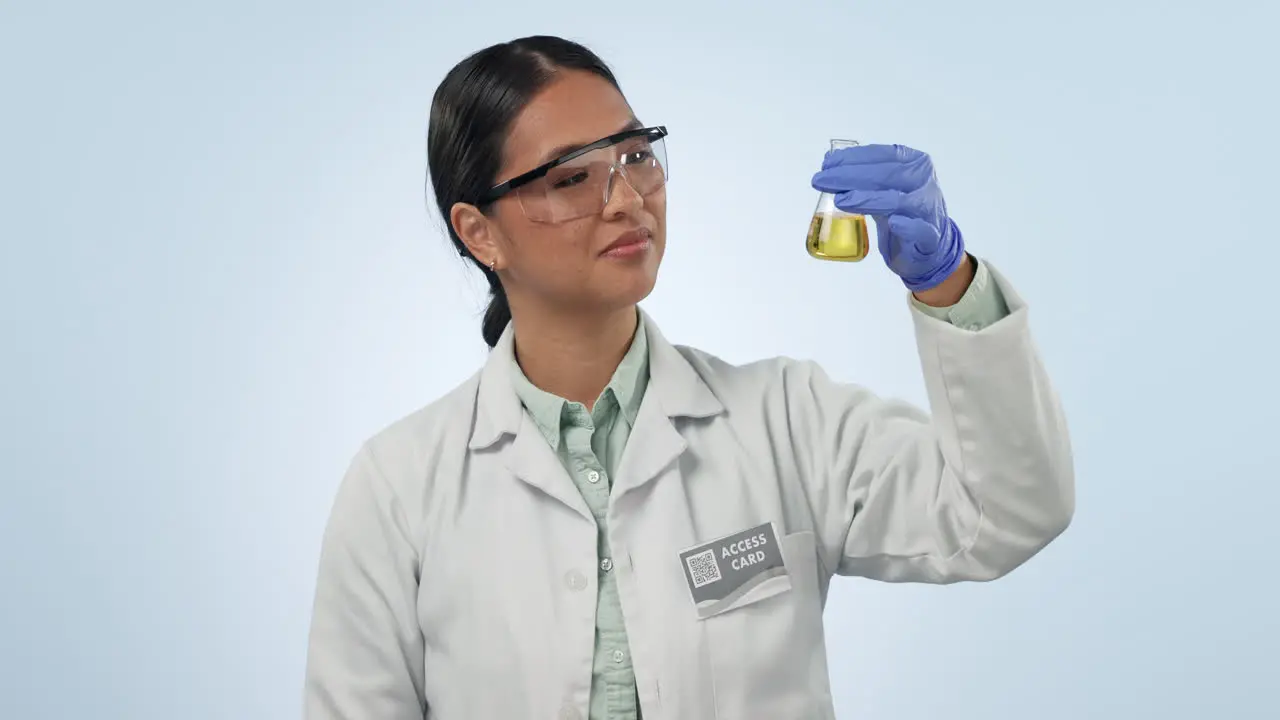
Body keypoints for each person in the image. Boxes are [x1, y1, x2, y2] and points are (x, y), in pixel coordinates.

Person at [302, 35, 1075, 720]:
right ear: (479, 232)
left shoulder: (784, 421)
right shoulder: (400, 486)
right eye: (572, 177)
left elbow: (1004, 514)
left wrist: (947, 281)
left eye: (636, 157)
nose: (628, 199)